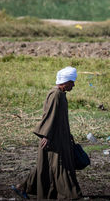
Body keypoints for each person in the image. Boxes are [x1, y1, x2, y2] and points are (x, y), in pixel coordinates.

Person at [12, 66, 82, 200]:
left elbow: (59, 118)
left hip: (60, 137)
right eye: (72, 81)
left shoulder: (61, 94)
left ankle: (23, 187)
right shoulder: (55, 94)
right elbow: (49, 116)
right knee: (60, 165)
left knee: (46, 166)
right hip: (53, 139)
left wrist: (67, 134)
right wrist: (46, 135)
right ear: (65, 81)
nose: (73, 84)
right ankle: (71, 195)